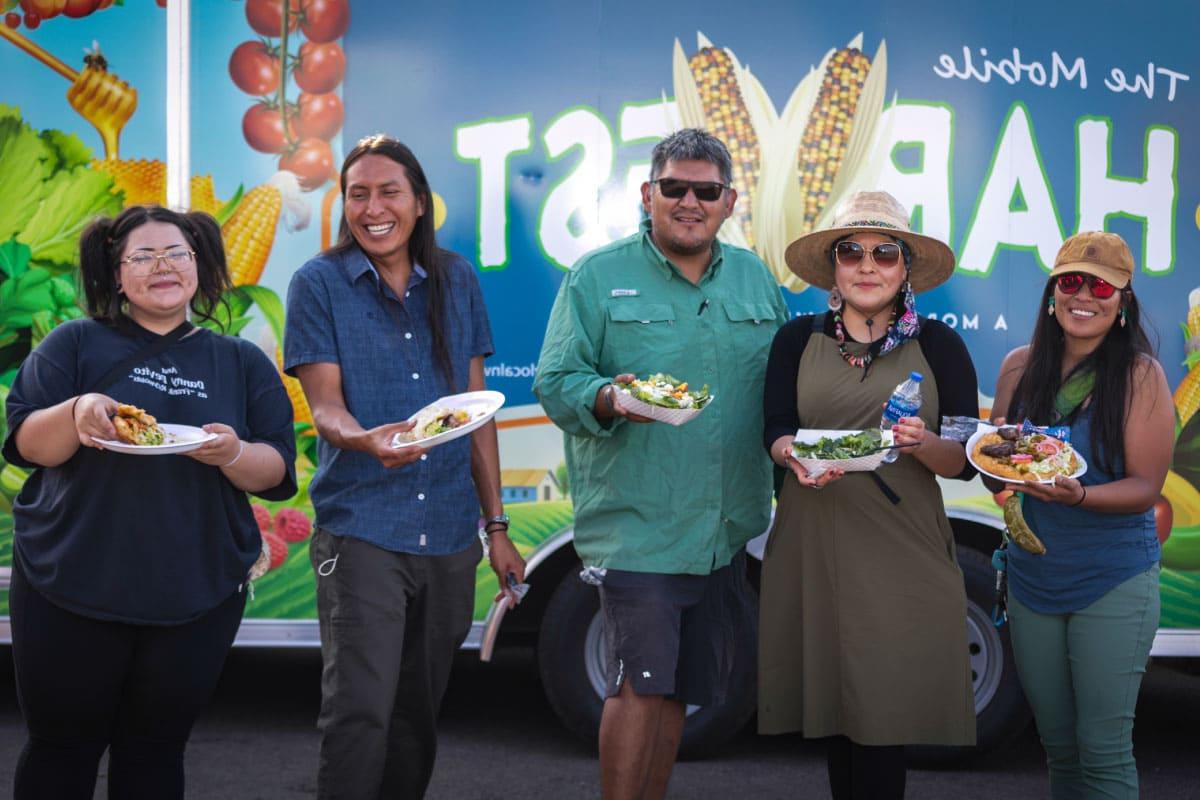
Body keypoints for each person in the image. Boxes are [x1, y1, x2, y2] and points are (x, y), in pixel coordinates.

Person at [3, 205, 297, 799]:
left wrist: (233, 453)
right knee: (62, 750)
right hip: (71, 585)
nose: (162, 265)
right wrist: (78, 409)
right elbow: (28, 445)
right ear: (117, 275)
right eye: (143, 255)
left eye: (177, 253)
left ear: (199, 266)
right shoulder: (75, 344)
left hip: (195, 594)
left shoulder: (239, 360)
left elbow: (275, 470)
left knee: (155, 752)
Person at [534, 128, 788, 800]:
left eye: (705, 191)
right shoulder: (598, 275)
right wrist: (610, 397)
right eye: (673, 187)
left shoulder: (758, 279)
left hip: (725, 529)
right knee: (639, 689)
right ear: (647, 195)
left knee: (680, 692)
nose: (688, 201)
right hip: (640, 525)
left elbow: (783, 390)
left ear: (729, 202)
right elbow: (556, 382)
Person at [284, 134, 524, 800]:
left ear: (419, 203)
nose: (372, 207)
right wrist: (365, 440)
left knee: (417, 711)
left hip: (448, 535)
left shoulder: (457, 279)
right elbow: (325, 409)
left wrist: (496, 527)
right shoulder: (319, 284)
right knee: (360, 709)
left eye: (389, 191)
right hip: (361, 528)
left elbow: (477, 415)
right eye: (356, 193)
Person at [760, 191, 978, 799]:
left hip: (901, 552)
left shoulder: (941, 347)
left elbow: (963, 464)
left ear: (905, 268)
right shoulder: (794, 340)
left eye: (885, 253)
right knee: (837, 713)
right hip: (815, 539)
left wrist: (923, 442)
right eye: (851, 250)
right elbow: (773, 430)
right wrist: (792, 456)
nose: (867, 265)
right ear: (833, 265)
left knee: (883, 719)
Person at [985, 231, 1172, 799]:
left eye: (1100, 285)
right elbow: (995, 462)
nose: (1083, 295)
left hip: (1112, 578)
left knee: (1104, 750)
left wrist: (1081, 496)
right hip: (1034, 580)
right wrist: (999, 471)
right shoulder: (1019, 368)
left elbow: (1146, 487)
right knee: (1059, 749)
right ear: (1051, 294)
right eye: (1071, 281)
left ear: (1122, 302)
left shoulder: (1141, 376)